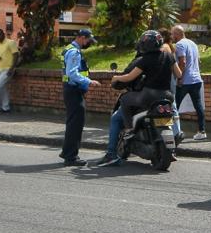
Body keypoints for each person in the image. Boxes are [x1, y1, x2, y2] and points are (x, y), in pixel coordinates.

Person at [91, 30, 181, 167]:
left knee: (125, 100)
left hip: (148, 96)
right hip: (167, 96)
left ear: (145, 45)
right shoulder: (168, 56)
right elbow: (179, 74)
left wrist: (116, 78)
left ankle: (129, 130)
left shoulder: (145, 59)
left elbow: (130, 77)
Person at [59, 28, 99, 166]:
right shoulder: (74, 52)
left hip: (70, 90)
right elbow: (72, 74)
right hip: (73, 90)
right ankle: (71, 157)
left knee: (73, 123)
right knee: (75, 125)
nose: (89, 43)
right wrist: (89, 82)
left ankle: (67, 153)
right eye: (88, 40)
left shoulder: (68, 48)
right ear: (82, 37)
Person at [171, 25, 207, 141]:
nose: (171, 36)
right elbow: (198, 61)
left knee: (174, 106)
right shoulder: (193, 44)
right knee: (198, 106)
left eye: (172, 34)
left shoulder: (180, 44)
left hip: (185, 81)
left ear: (177, 34)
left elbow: (183, 62)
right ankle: (202, 131)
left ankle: (174, 132)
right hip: (196, 80)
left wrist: (180, 78)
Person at [0, 28, 20, 114]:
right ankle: (6, 108)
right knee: (3, 87)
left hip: (8, 68)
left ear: (3, 34)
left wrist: (12, 68)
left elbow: (16, 55)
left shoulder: (10, 43)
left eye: (0, 34)